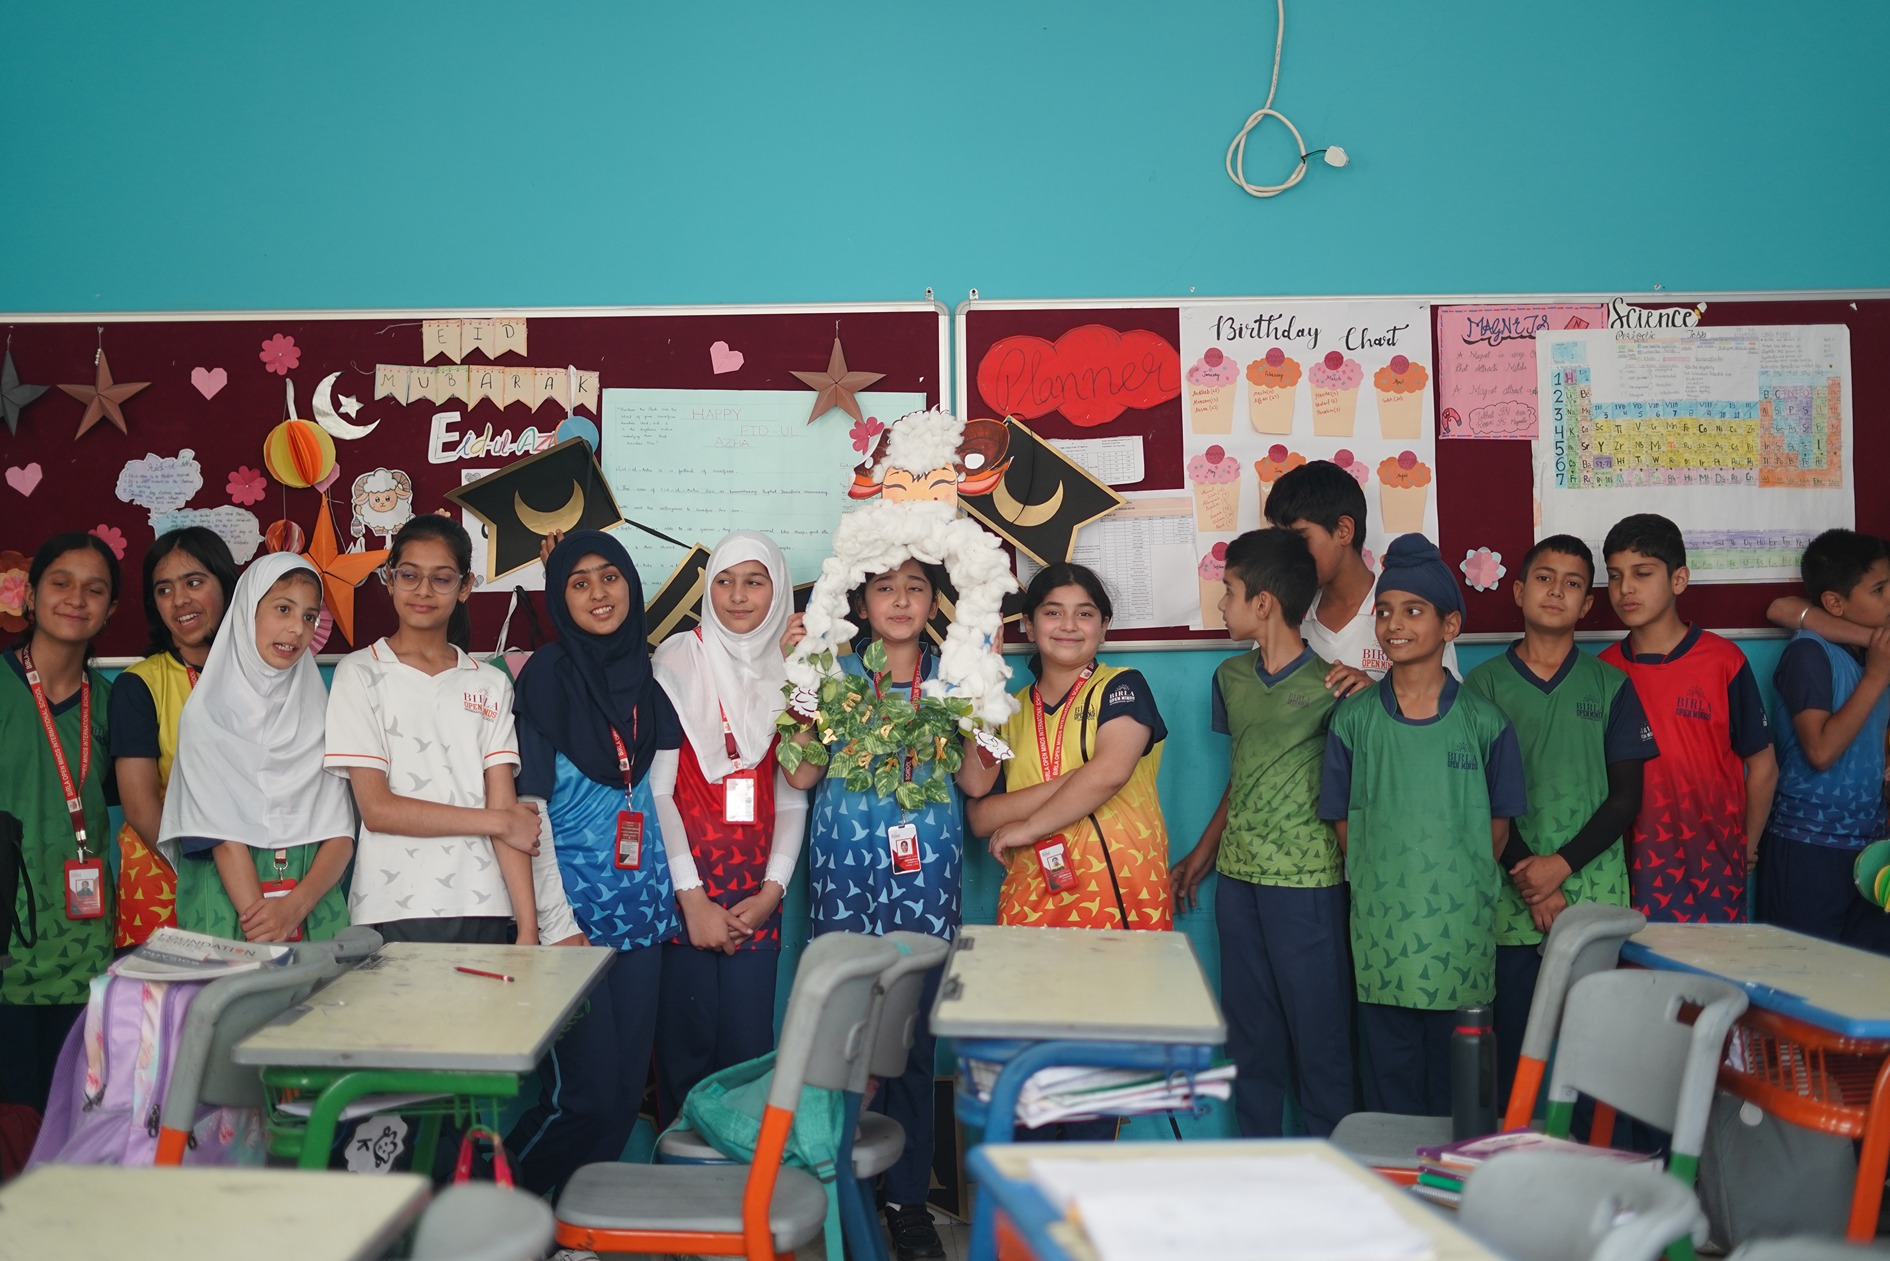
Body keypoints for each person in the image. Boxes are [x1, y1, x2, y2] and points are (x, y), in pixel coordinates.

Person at [785, 557, 1000, 1261]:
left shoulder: (953, 676)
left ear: (935, 601)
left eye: (915, 588)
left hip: (923, 886)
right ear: (862, 603)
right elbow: (801, 772)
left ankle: (907, 1203)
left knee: (909, 1044)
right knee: (840, 1046)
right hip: (844, 883)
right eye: (885, 588)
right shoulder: (836, 675)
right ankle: (842, 1196)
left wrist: (987, 691)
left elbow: (977, 782)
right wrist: (800, 681)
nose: (901, 600)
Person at [1318, 534, 1526, 1116]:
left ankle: (1455, 1175)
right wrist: (1381, 880)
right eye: (1384, 611)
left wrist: (1456, 882)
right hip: (1382, 933)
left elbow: (1497, 831)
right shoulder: (1353, 721)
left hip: (1460, 932)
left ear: (1450, 625)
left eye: (1413, 611)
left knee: (1460, 1093)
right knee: (1390, 1086)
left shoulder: (1485, 723)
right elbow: (1342, 821)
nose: (1394, 624)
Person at [505, 530, 682, 1197]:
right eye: (578, 583)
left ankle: (571, 1223)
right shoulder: (548, 677)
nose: (599, 593)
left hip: (643, 917)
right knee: (583, 1093)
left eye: (610, 577)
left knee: (622, 1093)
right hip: (574, 922)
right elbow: (530, 811)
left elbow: (660, 796)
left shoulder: (646, 675)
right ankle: (498, 1210)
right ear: (560, 597)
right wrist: (554, 924)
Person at [1169, 528, 1354, 1137]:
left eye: (1229, 591)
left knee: (1320, 1038)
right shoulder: (1230, 677)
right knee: (1250, 1040)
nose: (1222, 604)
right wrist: (1204, 852)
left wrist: (1375, 693)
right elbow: (1244, 773)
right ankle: (1258, 1164)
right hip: (1239, 883)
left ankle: (1335, 1170)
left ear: (1264, 603)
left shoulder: (1334, 688)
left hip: (1309, 886)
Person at [1463, 535, 1658, 1097]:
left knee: (1595, 1061)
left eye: (1572, 584)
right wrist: (1532, 878)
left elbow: (1625, 799)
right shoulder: (1482, 686)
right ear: (1519, 591)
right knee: (1509, 1060)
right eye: (1544, 579)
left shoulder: (1611, 686)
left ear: (1587, 604)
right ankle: (1509, 1152)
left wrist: (1560, 868)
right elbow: (1478, 796)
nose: (1556, 592)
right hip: (1509, 900)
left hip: (1591, 895)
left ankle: (1591, 1153)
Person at [649, 531, 807, 1123]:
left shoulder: (795, 672)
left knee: (747, 1057)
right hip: (684, 902)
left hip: (755, 907)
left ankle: (742, 1179)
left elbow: (792, 798)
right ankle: (678, 1178)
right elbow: (658, 793)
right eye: (724, 581)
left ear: (778, 590)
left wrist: (772, 893)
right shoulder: (675, 662)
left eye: (755, 581)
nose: (738, 596)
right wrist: (693, 900)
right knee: (682, 1054)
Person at [324, 515, 540, 945]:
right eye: (409, 575)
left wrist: (529, 929)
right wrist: (499, 821)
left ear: (465, 587)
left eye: (441, 579)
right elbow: (378, 810)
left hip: (486, 905)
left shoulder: (490, 682)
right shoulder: (359, 673)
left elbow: (506, 810)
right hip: (393, 904)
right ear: (389, 579)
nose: (423, 591)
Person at [160, 553, 355, 943]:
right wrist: (266, 927)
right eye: (283, 609)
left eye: (309, 616)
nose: (297, 629)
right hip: (231, 912)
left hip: (311, 908)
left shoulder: (320, 715)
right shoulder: (208, 717)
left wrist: (293, 909)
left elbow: (341, 834)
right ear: (247, 611)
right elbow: (220, 836)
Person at [970, 562, 1172, 933]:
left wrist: (1029, 827)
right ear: (1029, 626)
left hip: (1122, 895)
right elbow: (981, 817)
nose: (1068, 625)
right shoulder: (1005, 711)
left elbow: (1109, 774)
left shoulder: (1122, 686)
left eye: (1084, 614)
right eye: (1052, 613)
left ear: (1104, 627)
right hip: (1031, 900)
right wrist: (985, 689)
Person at [1599, 514, 1776, 923]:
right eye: (1614, 576)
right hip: (1626, 871)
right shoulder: (1603, 672)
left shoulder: (1723, 661)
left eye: (1642, 573)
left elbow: (1763, 765)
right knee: (1635, 961)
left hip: (1713, 867)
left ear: (1679, 580)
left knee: (1712, 965)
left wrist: (1746, 843)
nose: (1625, 588)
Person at [0, 533, 119, 1113]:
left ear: (111, 610)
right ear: (29, 595)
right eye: (61, 583)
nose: (76, 598)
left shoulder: (116, 702)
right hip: (7, 951)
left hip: (86, 953)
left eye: (94, 590)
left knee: (71, 1122)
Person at [1757, 529, 1890, 950]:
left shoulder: (1873, 654)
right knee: (1800, 973)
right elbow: (1820, 751)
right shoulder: (1810, 654)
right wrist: (1876, 677)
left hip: (1871, 850)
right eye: (1880, 590)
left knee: (1865, 974)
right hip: (1808, 848)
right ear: (1835, 603)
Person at [108, 527, 238, 950]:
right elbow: (141, 806)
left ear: (227, 586)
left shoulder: (263, 677)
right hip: (168, 880)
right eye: (164, 590)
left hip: (259, 885)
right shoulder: (140, 684)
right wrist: (214, 875)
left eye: (194, 583)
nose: (179, 600)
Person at [1263, 459, 1457, 686]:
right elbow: (1258, 690)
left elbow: (1446, 702)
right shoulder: (1281, 613)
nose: (1287, 554)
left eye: (1299, 539)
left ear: (1344, 530)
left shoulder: (1417, 613)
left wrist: (1376, 696)